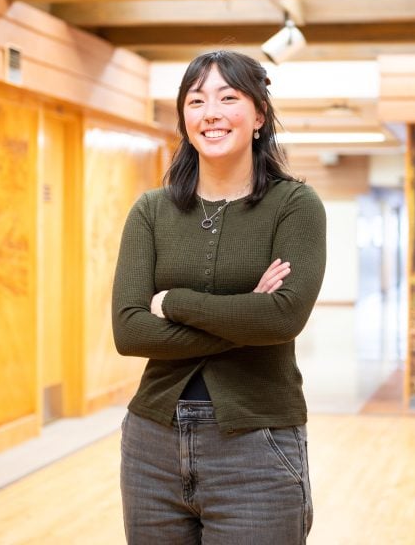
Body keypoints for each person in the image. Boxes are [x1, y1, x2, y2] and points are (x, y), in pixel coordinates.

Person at [111, 50, 326, 544]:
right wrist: (247, 314)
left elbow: (283, 317)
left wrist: (172, 303)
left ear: (258, 116)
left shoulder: (295, 205)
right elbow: (129, 331)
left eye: (228, 98)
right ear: (184, 118)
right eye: (196, 100)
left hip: (258, 443)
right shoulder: (151, 211)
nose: (210, 112)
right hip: (151, 443)